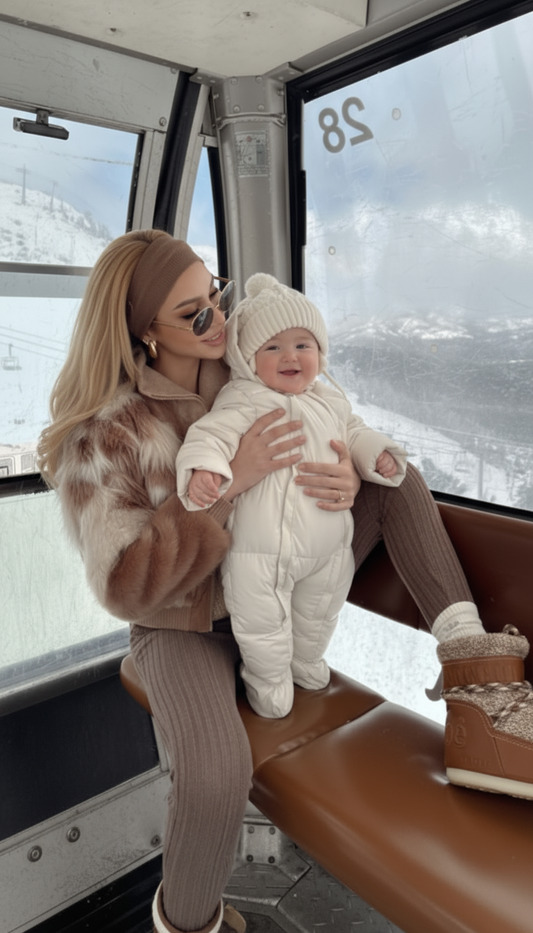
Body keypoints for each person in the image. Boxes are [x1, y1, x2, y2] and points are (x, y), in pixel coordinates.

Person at [36, 231, 533, 933]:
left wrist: (347, 473)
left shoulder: (251, 362)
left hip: (283, 573)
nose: (219, 318)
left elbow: (336, 419)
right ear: (146, 331)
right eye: (194, 314)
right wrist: (227, 487)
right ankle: (190, 923)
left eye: (217, 294)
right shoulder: (109, 435)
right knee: (215, 777)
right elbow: (126, 587)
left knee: (398, 479)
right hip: (186, 626)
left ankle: (483, 691)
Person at [176, 273, 410, 718]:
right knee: (261, 625)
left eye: (303, 345)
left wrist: (375, 454)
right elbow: (210, 434)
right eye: (272, 348)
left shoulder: (331, 402)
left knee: (318, 614)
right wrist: (205, 469)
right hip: (258, 552)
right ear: (248, 360)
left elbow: (355, 432)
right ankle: (267, 680)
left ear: (320, 353)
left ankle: (304, 661)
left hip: (328, 547)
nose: (291, 356)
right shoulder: (243, 399)